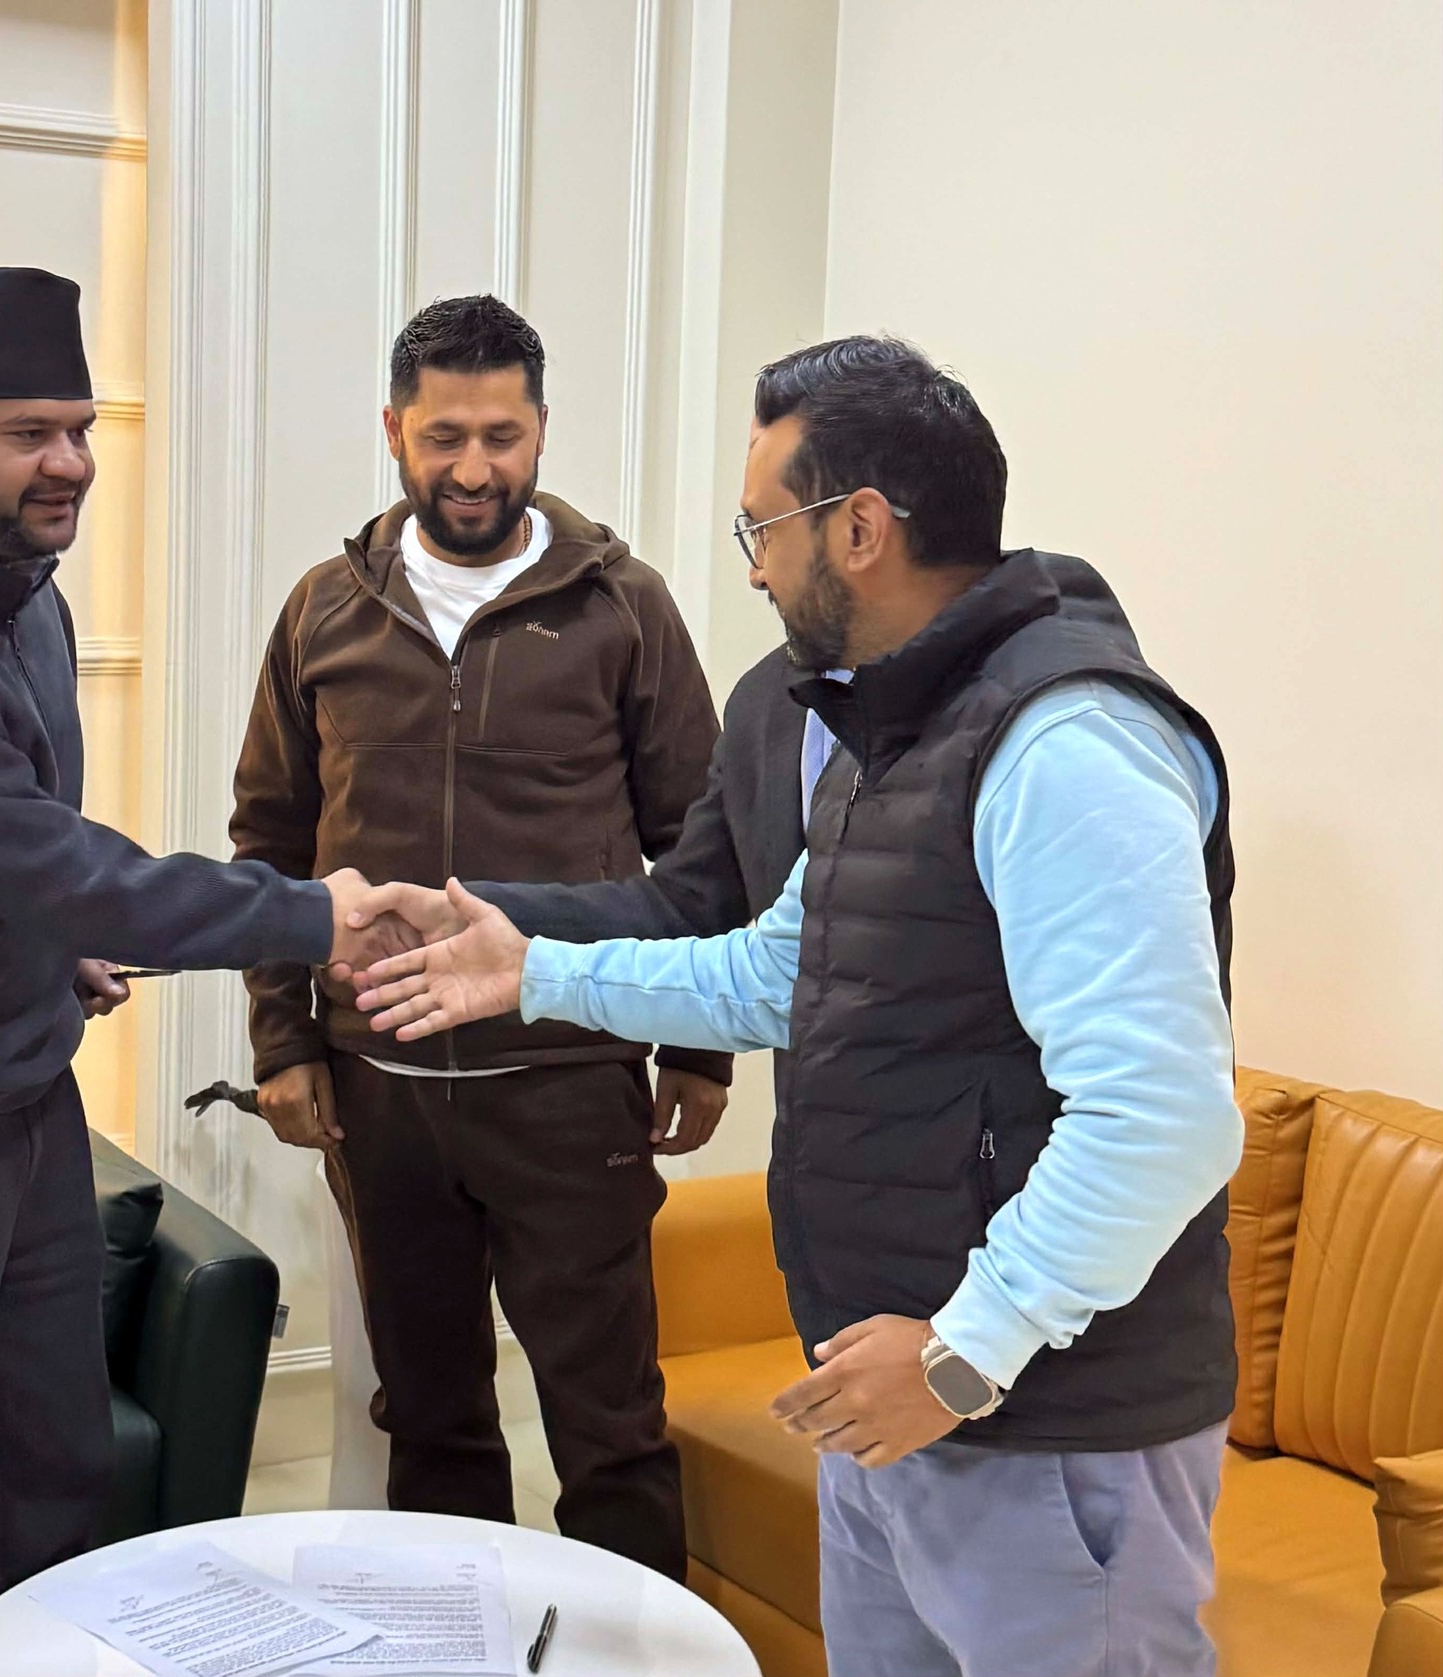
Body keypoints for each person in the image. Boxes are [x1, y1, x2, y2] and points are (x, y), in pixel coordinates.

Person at [353, 336, 1243, 1676]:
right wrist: (530, 968)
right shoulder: (887, 729)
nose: (756, 566)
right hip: (889, 1385)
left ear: (861, 529)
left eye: (762, 527)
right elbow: (774, 970)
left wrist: (961, 1351)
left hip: (1038, 1417)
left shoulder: (1066, 742)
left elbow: (1162, 1115)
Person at [0, 265, 415, 1677]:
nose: (71, 464)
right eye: (28, 434)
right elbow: (48, 862)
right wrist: (309, 916)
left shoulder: (22, 592)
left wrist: (49, 940)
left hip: (20, 1087)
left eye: (81, 429)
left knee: (49, 1461)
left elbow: (1, 857)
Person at [229, 294, 727, 1580]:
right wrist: (284, 1040)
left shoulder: (623, 608)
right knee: (431, 1420)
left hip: (569, 1079)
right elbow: (269, 846)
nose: (471, 468)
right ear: (393, 430)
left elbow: (700, 848)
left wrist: (697, 1047)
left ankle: (641, 1665)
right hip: (381, 1086)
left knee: (608, 1428)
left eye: (500, 436)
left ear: (540, 430)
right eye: (442, 436)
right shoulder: (323, 611)